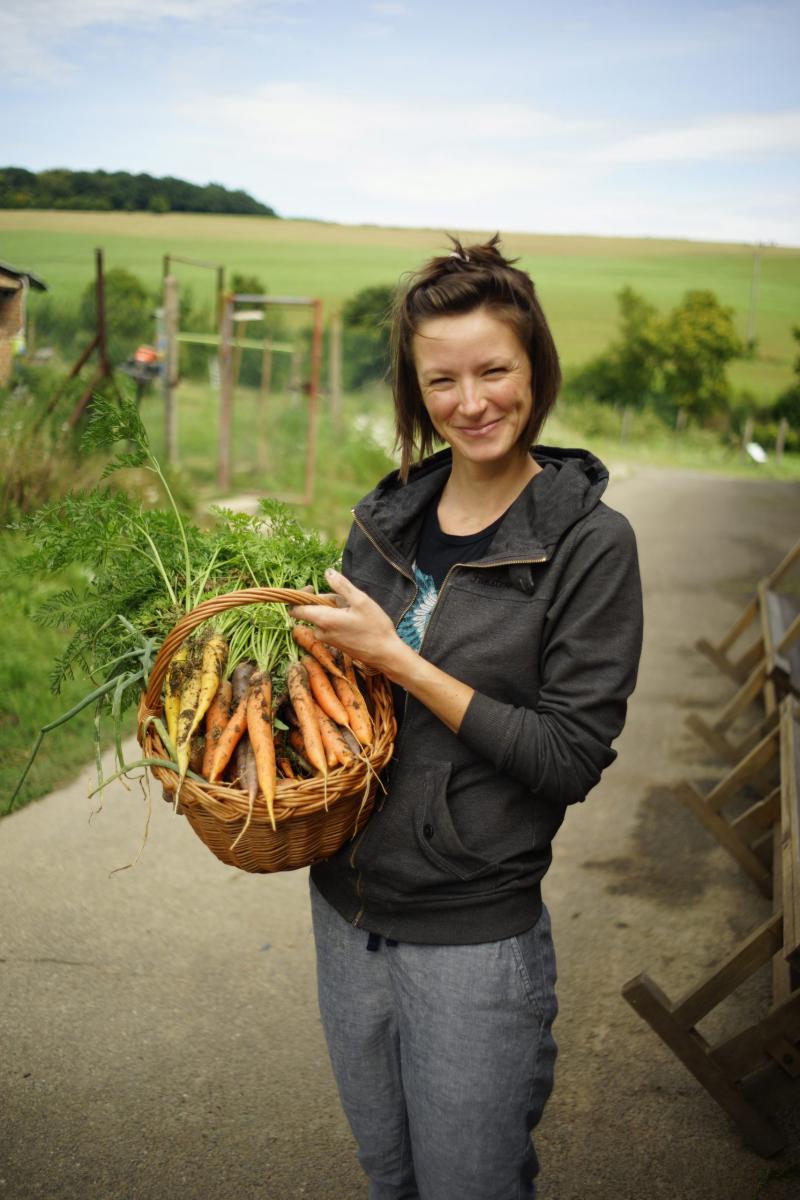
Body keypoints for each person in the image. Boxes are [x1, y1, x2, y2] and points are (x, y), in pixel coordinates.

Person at [289, 235, 643, 1200]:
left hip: (473, 939)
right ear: (416, 392)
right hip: (345, 909)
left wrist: (398, 658)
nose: (472, 401)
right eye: (441, 380)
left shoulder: (588, 543)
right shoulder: (389, 515)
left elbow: (568, 755)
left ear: (537, 371)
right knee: (389, 1176)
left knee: (469, 1187)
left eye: (495, 370)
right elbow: (344, 688)